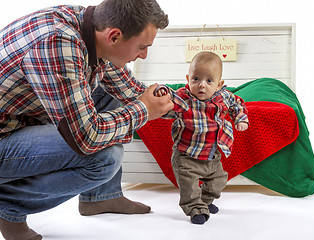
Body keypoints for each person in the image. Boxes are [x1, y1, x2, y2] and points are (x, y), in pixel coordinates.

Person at [0, 0, 174, 239]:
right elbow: (86, 138)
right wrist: (143, 110)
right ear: (114, 36)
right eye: (142, 47)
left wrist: (192, 103)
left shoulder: (90, 26)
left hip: (18, 120)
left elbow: (132, 91)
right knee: (105, 157)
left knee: (109, 94)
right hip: (4, 136)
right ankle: (7, 207)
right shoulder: (58, 42)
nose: (144, 55)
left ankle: (101, 197)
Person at [155, 51, 249, 224]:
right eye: (196, 79)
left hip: (212, 155)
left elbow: (238, 104)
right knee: (189, 186)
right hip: (187, 156)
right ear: (188, 78)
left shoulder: (224, 97)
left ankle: (204, 201)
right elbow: (170, 98)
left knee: (218, 181)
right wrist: (161, 92)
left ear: (219, 84)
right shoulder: (184, 98)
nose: (201, 85)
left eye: (209, 81)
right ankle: (195, 208)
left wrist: (240, 119)